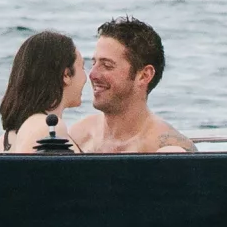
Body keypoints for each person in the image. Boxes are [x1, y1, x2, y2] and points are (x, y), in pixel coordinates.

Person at [70, 18, 193, 153]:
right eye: (94, 63)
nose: (92, 74)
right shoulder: (78, 137)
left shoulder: (167, 148)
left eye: (107, 65)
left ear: (144, 75)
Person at [0, 29, 84, 152]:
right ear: (66, 75)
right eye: (82, 67)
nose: (86, 77)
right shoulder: (48, 128)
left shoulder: (3, 141)